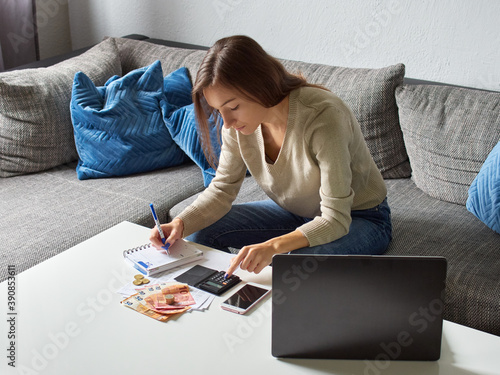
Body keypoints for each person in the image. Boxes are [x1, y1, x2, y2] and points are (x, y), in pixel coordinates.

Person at [150, 35, 392, 277]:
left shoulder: (322, 116)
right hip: (298, 213)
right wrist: (180, 223)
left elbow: (335, 219)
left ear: (259, 85)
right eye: (218, 110)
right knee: (199, 233)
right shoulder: (235, 127)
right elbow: (222, 189)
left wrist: (273, 246)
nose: (227, 122)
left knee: (294, 270)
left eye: (233, 107)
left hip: (358, 216)